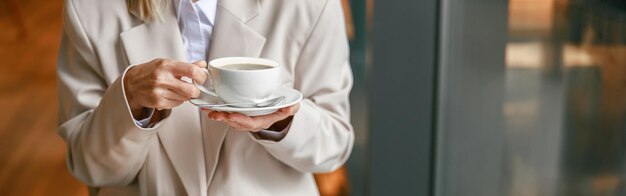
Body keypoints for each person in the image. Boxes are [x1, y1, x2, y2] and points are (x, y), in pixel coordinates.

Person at [56, 0, 354, 195]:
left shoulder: (311, 5)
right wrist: (128, 101)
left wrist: (282, 122)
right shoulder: (89, 9)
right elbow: (89, 166)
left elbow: (334, 144)